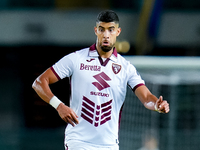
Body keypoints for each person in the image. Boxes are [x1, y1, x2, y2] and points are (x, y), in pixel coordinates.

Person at [32, 10, 169, 150]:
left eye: (111, 30)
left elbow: (146, 97)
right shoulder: (76, 59)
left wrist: (156, 105)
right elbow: (39, 82)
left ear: (118, 32)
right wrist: (59, 106)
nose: (106, 35)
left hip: (109, 145)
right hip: (79, 142)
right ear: (96, 30)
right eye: (102, 29)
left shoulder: (126, 68)